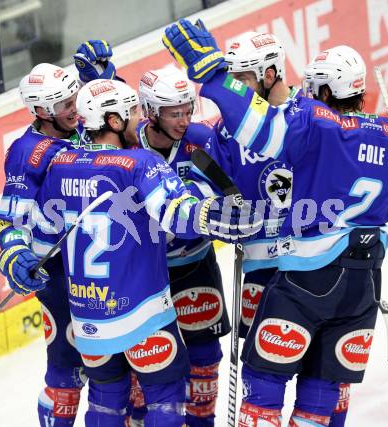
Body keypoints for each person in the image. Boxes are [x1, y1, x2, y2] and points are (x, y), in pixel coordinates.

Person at [162, 19, 388, 427]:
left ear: (324, 91)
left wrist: (215, 75)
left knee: (264, 381)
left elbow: (261, 127)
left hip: (309, 277)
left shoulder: (314, 122)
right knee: (323, 391)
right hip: (364, 286)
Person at [26, 78, 261, 426]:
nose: (140, 118)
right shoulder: (138, 163)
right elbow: (178, 213)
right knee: (166, 401)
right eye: (133, 111)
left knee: (105, 404)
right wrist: (217, 218)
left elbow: (43, 245)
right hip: (143, 310)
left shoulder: (60, 166)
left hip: (90, 317)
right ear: (114, 121)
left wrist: (21, 262)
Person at [202, 31, 349, 427]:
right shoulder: (223, 131)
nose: (236, 89)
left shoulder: (312, 116)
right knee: (262, 385)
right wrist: (222, 218)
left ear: (270, 73)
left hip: (319, 266)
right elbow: (212, 192)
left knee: (325, 380)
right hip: (260, 271)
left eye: (243, 79)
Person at [136, 66, 231, 426]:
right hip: (146, 273)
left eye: (187, 109)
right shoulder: (130, 147)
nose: (183, 119)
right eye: (173, 112)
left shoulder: (199, 141)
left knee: (205, 355)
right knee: (150, 361)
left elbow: (229, 191)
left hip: (195, 265)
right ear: (150, 111)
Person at [0, 62, 88, 427]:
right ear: (40, 111)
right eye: (63, 103)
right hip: (57, 269)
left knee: (115, 364)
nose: (74, 107)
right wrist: (15, 253)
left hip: (98, 263)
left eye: (74, 97)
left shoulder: (83, 124)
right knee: (67, 369)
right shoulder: (26, 152)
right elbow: (10, 219)